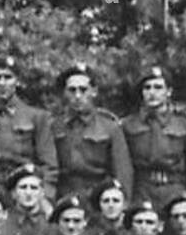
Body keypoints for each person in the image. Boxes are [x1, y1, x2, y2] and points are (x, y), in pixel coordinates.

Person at [0, 56, 58, 196]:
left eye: (8, 77)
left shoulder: (38, 117)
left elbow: (49, 166)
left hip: (24, 191)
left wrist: (45, 197)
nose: (2, 83)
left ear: (17, 81)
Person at [51, 63, 132, 200]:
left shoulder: (110, 127)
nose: (77, 96)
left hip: (98, 197)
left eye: (83, 90)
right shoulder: (54, 126)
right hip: (63, 197)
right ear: (65, 93)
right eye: (72, 90)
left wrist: (122, 203)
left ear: (94, 91)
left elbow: (122, 172)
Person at [122, 65, 186, 211]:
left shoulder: (184, 126)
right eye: (147, 88)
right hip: (141, 190)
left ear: (168, 92)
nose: (152, 93)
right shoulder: (127, 125)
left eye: (158, 87)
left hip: (174, 189)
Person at [3, 163, 55, 235]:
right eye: (23, 187)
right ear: (13, 193)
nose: (28, 193)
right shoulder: (4, 220)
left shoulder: (49, 222)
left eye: (34, 188)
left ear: (42, 193)